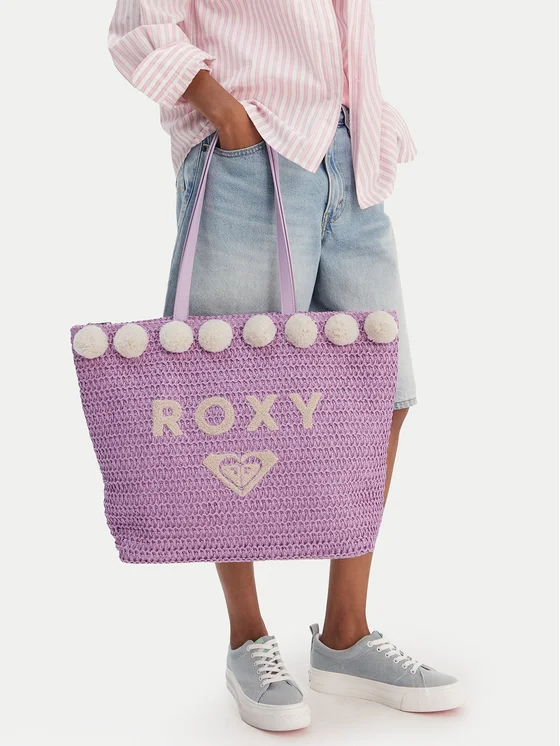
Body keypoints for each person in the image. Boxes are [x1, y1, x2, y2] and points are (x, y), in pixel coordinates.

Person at [108, 0, 463, 730]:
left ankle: (345, 635)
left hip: (352, 160)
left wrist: (363, 127)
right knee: (227, 396)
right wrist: (227, 118)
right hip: (249, 151)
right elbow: (138, 26)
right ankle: (246, 637)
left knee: (382, 397)